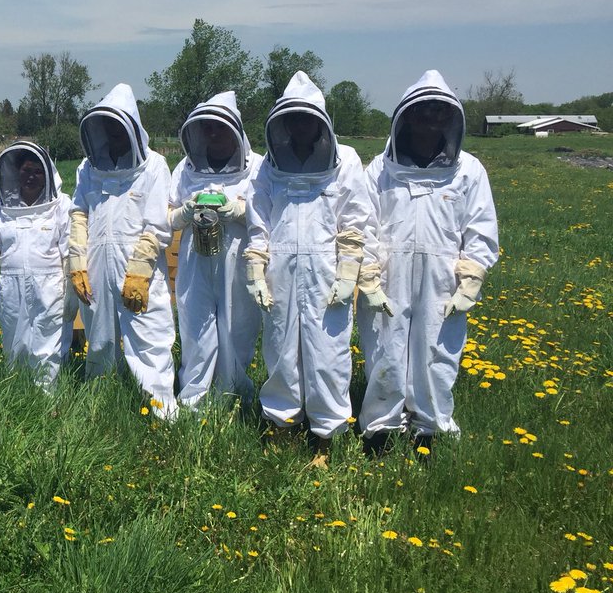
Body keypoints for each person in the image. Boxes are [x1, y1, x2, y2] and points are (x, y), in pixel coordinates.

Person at [357, 70, 499, 455]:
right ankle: (381, 427)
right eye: (424, 111)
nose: (432, 120)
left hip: (443, 278)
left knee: (438, 350)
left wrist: (471, 278)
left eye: (440, 113)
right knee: (384, 349)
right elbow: (363, 223)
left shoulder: (468, 170)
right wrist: (367, 275)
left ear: (451, 120)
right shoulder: (379, 170)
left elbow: (481, 229)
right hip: (388, 275)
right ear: (407, 117)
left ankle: (431, 428)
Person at [244, 71, 373, 459]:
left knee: (328, 354)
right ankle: (283, 425)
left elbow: (354, 219)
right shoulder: (268, 166)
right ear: (282, 123)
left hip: (326, 273)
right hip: (280, 271)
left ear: (320, 121)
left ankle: (325, 437)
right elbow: (258, 220)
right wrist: (255, 270)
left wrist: (349, 271)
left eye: (307, 119)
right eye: (293, 119)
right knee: (280, 349)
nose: (301, 125)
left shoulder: (345, 159)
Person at [69, 83, 177, 418]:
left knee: (149, 338)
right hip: (97, 265)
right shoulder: (88, 168)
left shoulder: (154, 165)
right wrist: (77, 261)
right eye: (106, 127)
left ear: (131, 127)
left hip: (137, 268)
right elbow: (78, 213)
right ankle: (102, 408)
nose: (112, 134)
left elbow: (158, 223)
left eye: (118, 127)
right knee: (99, 339)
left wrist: (141, 269)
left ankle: (162, 414)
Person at [168, 91, 263, 408]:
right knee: (196, 329)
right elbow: (167, 216)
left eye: (219, 127)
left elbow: (272, 215)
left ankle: (232, 398)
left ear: (235, 130)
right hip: (196, 257)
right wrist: (183, 213)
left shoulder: (258, 167)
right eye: (206, 127)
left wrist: (240, 211)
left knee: (237, 330)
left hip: (238, 258)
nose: (212, 133)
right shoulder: (184, 168)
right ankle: (194, 402)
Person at [0, 141, 72, 386]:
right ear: (16, 173)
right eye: (25, 170)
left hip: (50, 285)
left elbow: (69, 253)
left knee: (47, 338)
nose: (31, 176)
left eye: (37, 171)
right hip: (11, 284)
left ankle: (46, 394)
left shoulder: (61, 205)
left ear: (47, 174)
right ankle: (17, 390)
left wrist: (70, 292)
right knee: (13, 338)